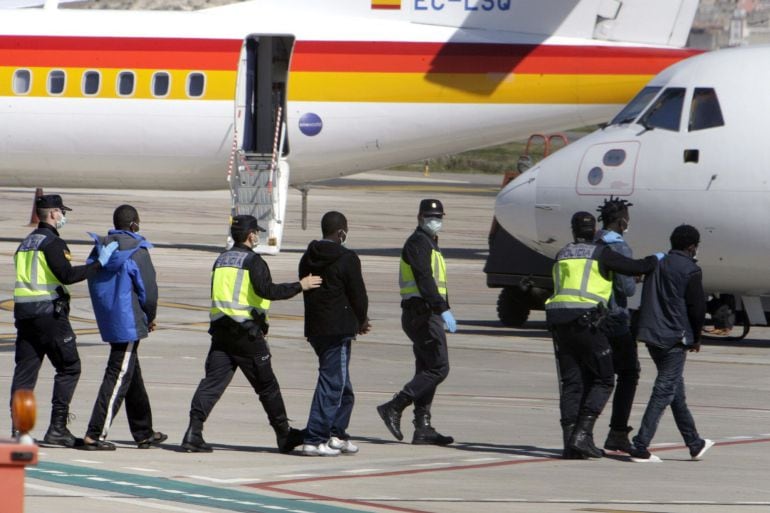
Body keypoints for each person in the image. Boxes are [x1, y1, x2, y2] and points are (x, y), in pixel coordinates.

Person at [181, 215, 322, 453]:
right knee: (267, 387)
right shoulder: (253, 262)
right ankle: (284, 435)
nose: (258, 235)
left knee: (211, 385)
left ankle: (193, 432)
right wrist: (301, 285)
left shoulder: (221, 259)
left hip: (221, 334)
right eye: (257, 231)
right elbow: (268, 291)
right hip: (246, 336)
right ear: (250, 235)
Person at [546, 211, 659, 459]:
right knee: (605, 379)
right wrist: (656, 259)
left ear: (573, 230)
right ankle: (582, 435)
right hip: (587, 322)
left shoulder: (561, 253)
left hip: (558, 321)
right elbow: (634, 269)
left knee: (572, 382)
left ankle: (570, 443)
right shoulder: (602, 253)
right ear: (594, 230)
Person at [10, 194, 118, 446]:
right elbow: (67, 275)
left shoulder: (25, 243)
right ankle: (57, 428)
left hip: (25, 316)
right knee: (69, 367)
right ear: (53, 213)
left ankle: (19, 430)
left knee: (25, 375)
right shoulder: (53, 243)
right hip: (49, 315)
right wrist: (98, 264)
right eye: (62, 212)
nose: (64, 216)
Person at [80, 205, 166, 450]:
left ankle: (144, 431)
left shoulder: (101, 248)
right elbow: (148, 292)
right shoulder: (137, 251)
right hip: (128, 321)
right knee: (117, 375)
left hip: (110, 319)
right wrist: (149, 317)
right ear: (134, 224)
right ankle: (95, 433)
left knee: (131, 375)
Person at [629, 225, 713, 463]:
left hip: (650, 334)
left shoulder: (657, 263)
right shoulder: (691, 270)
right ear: (691, 247)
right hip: (674, 337)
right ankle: (640, 444)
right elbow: (697, 308)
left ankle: (694, 443)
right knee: (665, 389)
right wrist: (696, 337)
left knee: (676, 390)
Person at [377, 199, 456, 446]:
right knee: (439, 368)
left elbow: (436, 281)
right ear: (420, 217)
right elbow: (424, 278)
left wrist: (444, 309)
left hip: (426, 313)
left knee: (426, 369)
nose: (436, 221)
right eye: (431, 216)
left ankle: (423, 427)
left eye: (439, 216)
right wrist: (442, 310)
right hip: (422, 313)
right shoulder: (418, 243)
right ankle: (395, 405)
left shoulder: (430, 243)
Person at [298, 211, 370, 456]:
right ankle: (315, 437)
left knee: (342, 385)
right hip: (337, 329)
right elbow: (358, 294)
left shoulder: (308, 257)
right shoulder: (347, 258)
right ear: (341, 232)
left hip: (317, 327)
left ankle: (337, 433)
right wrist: (361, 320)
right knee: (332, 383)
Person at [595, 197, 640, 453]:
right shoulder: (619, 248)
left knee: (595, 375)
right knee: (629, 372)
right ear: (621, 220)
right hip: (615, 317)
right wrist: (636, 275)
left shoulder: (592, 241)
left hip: (592, 316)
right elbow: (627, 288)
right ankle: (618, 432)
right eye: (627, 218)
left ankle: (581, 430)